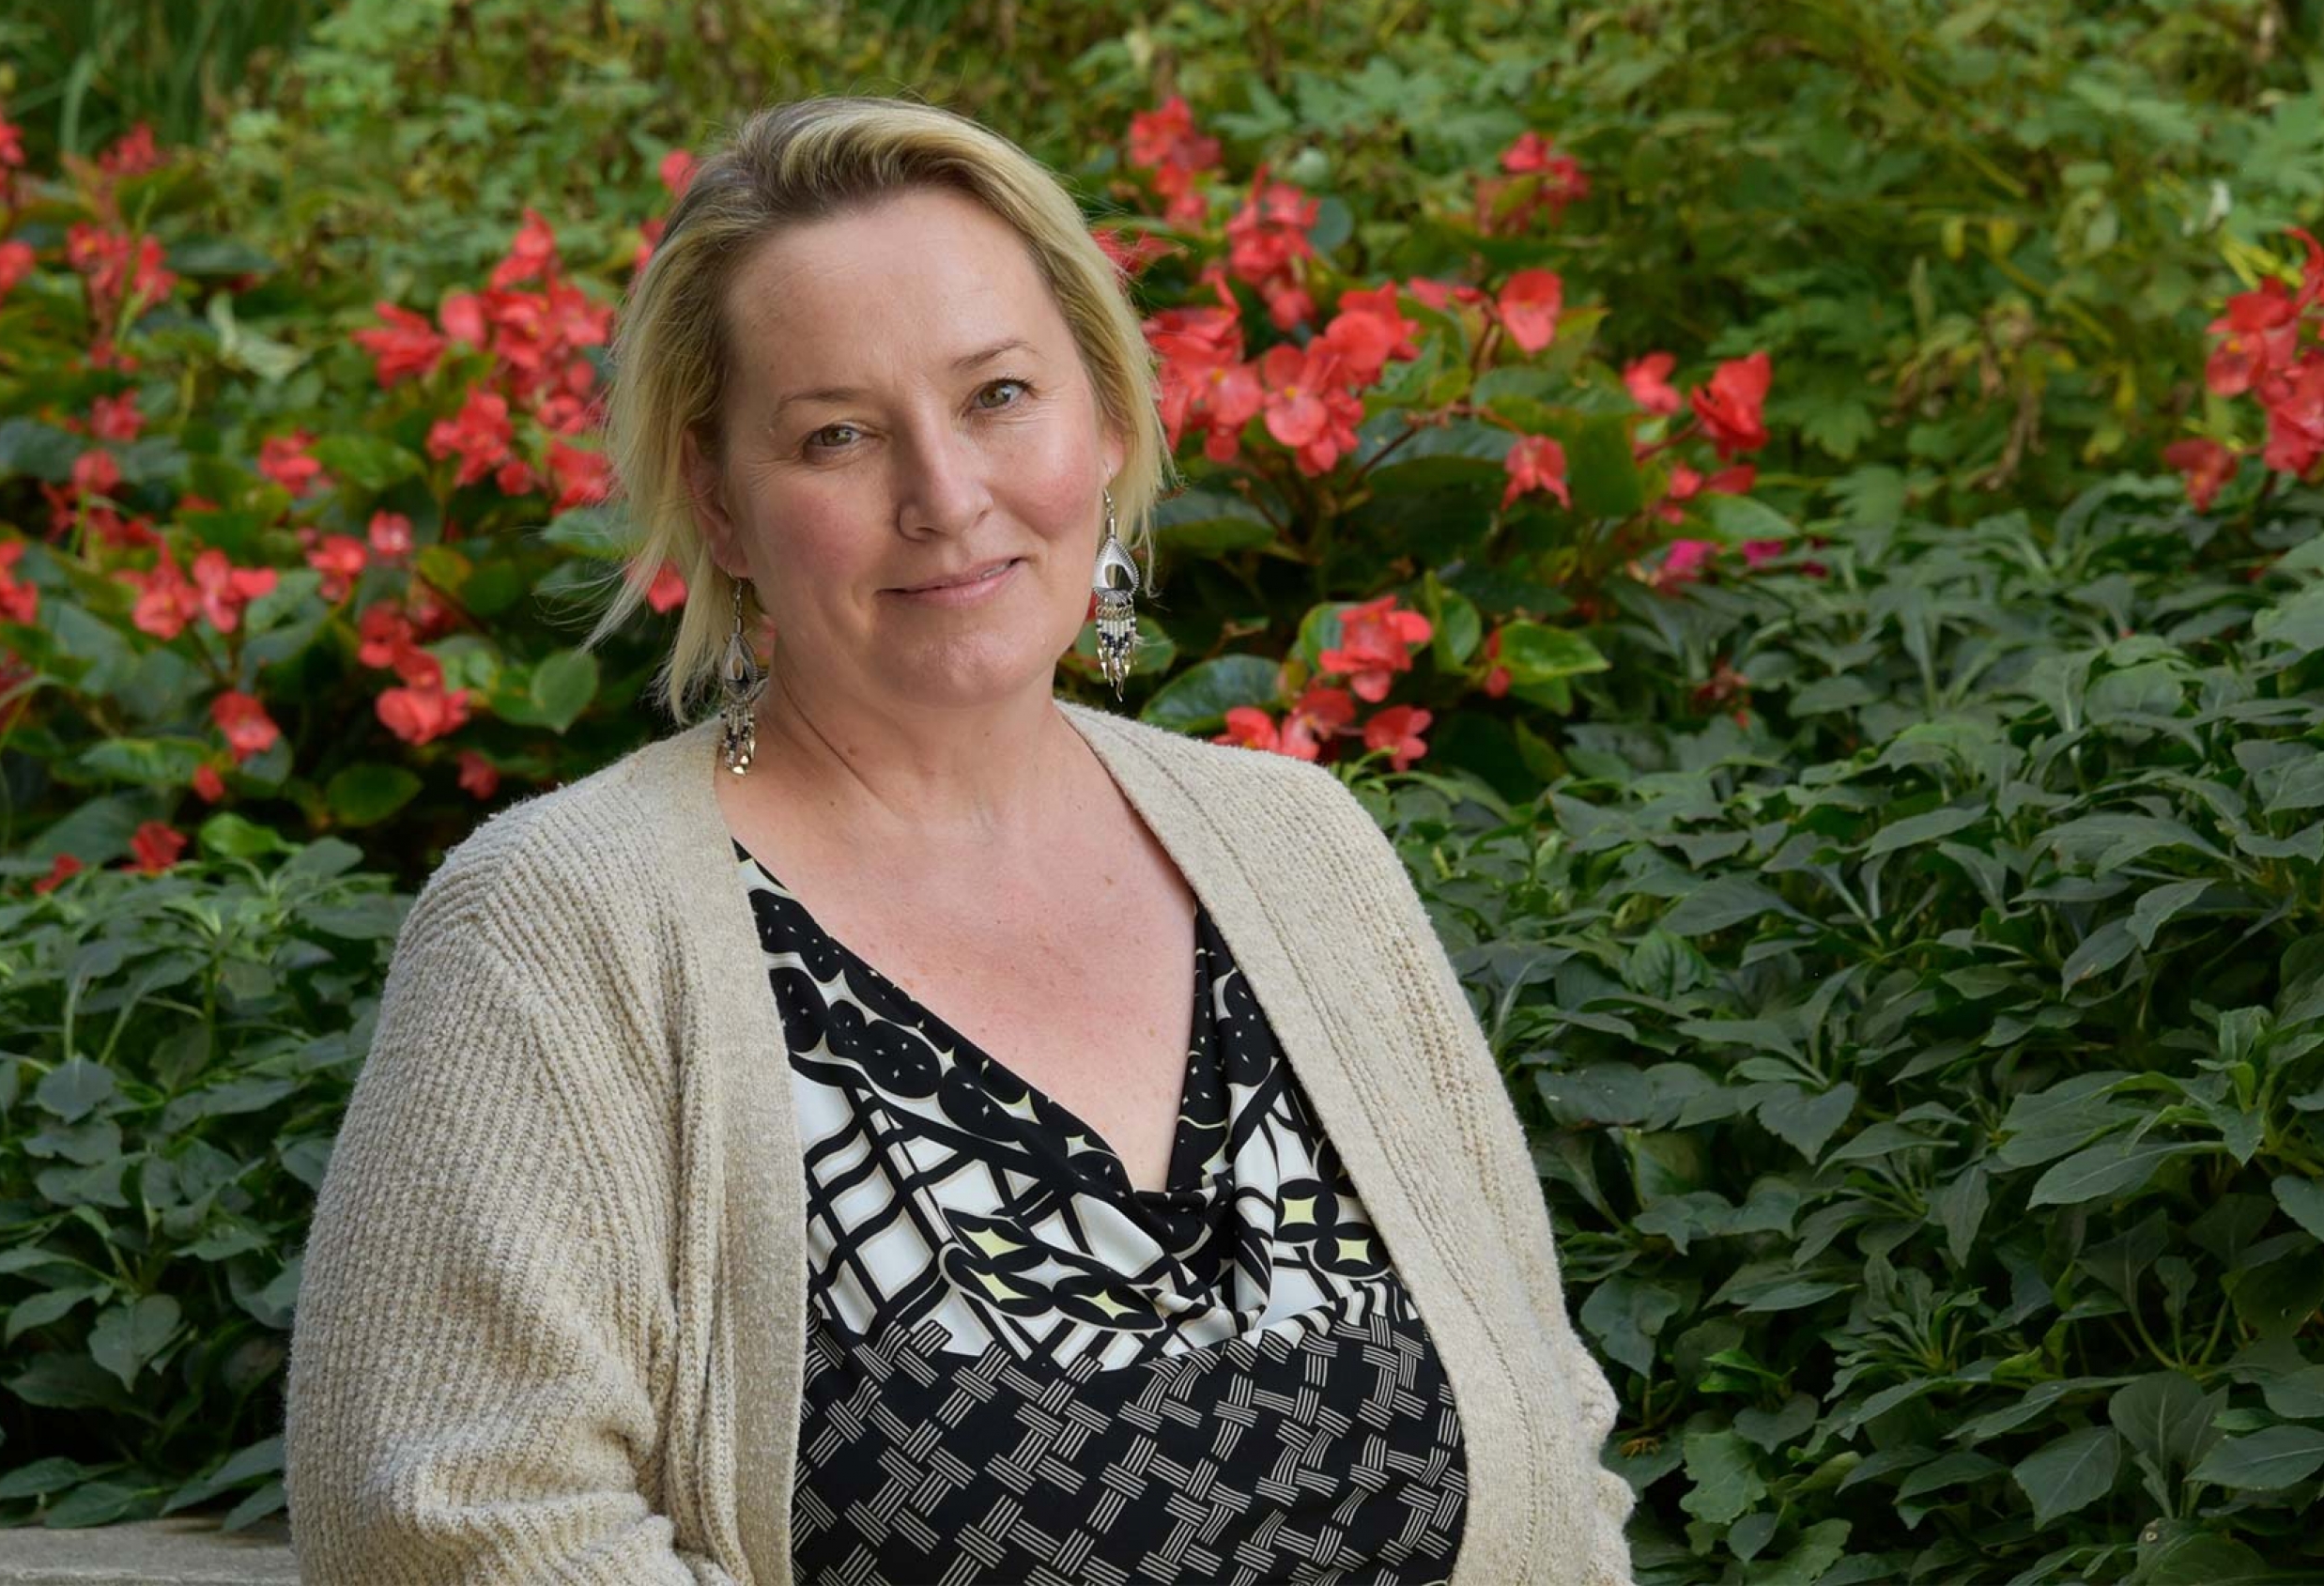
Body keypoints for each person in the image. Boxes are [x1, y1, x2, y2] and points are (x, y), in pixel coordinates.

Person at [283, 94, 1634, 1585]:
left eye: (998, 396)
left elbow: (1549, 1442)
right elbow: (457, 1521)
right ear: (724, 506)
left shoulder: (1301, 848)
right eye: (838, 435)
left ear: (1107, 416)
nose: (946, 497)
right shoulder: (559, 929)